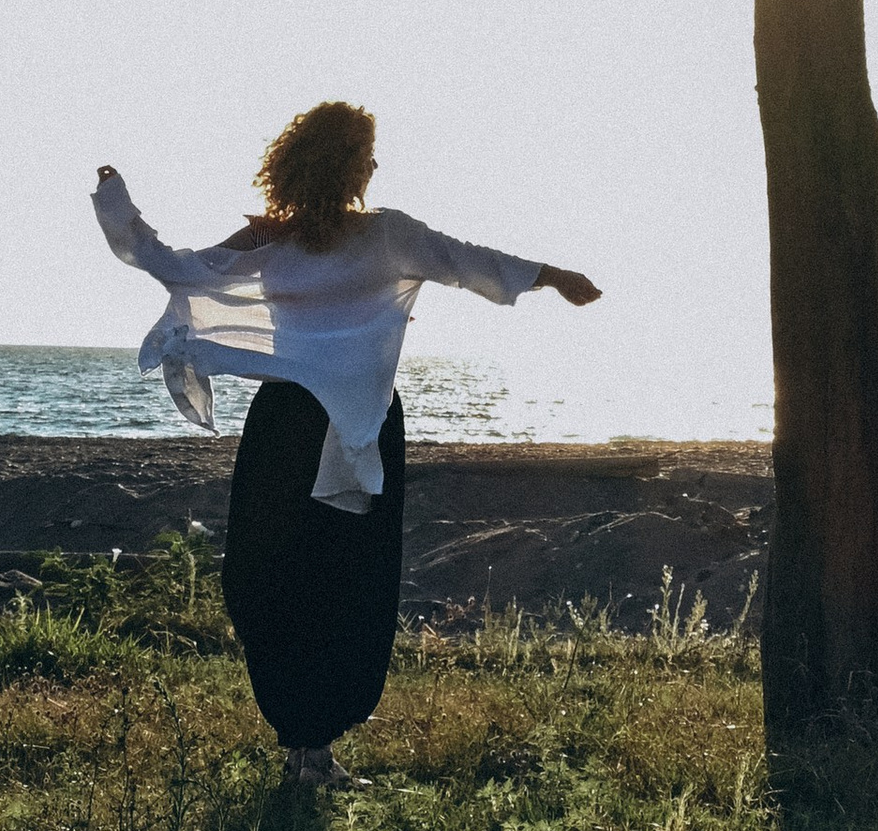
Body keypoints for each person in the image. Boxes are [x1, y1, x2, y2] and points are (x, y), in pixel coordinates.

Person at [93, 104, 600, 787]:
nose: (374, 166)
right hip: (304, 429)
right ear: (342, 161)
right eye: (367, 153)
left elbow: (465, 262)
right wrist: (119, 209)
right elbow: (183, 270)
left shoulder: (368, 235)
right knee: (290, 579)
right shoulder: (288, 237)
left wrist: (548, 274)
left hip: (333, 427)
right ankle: (305, 744)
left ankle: (315, 755)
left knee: (326, 581)